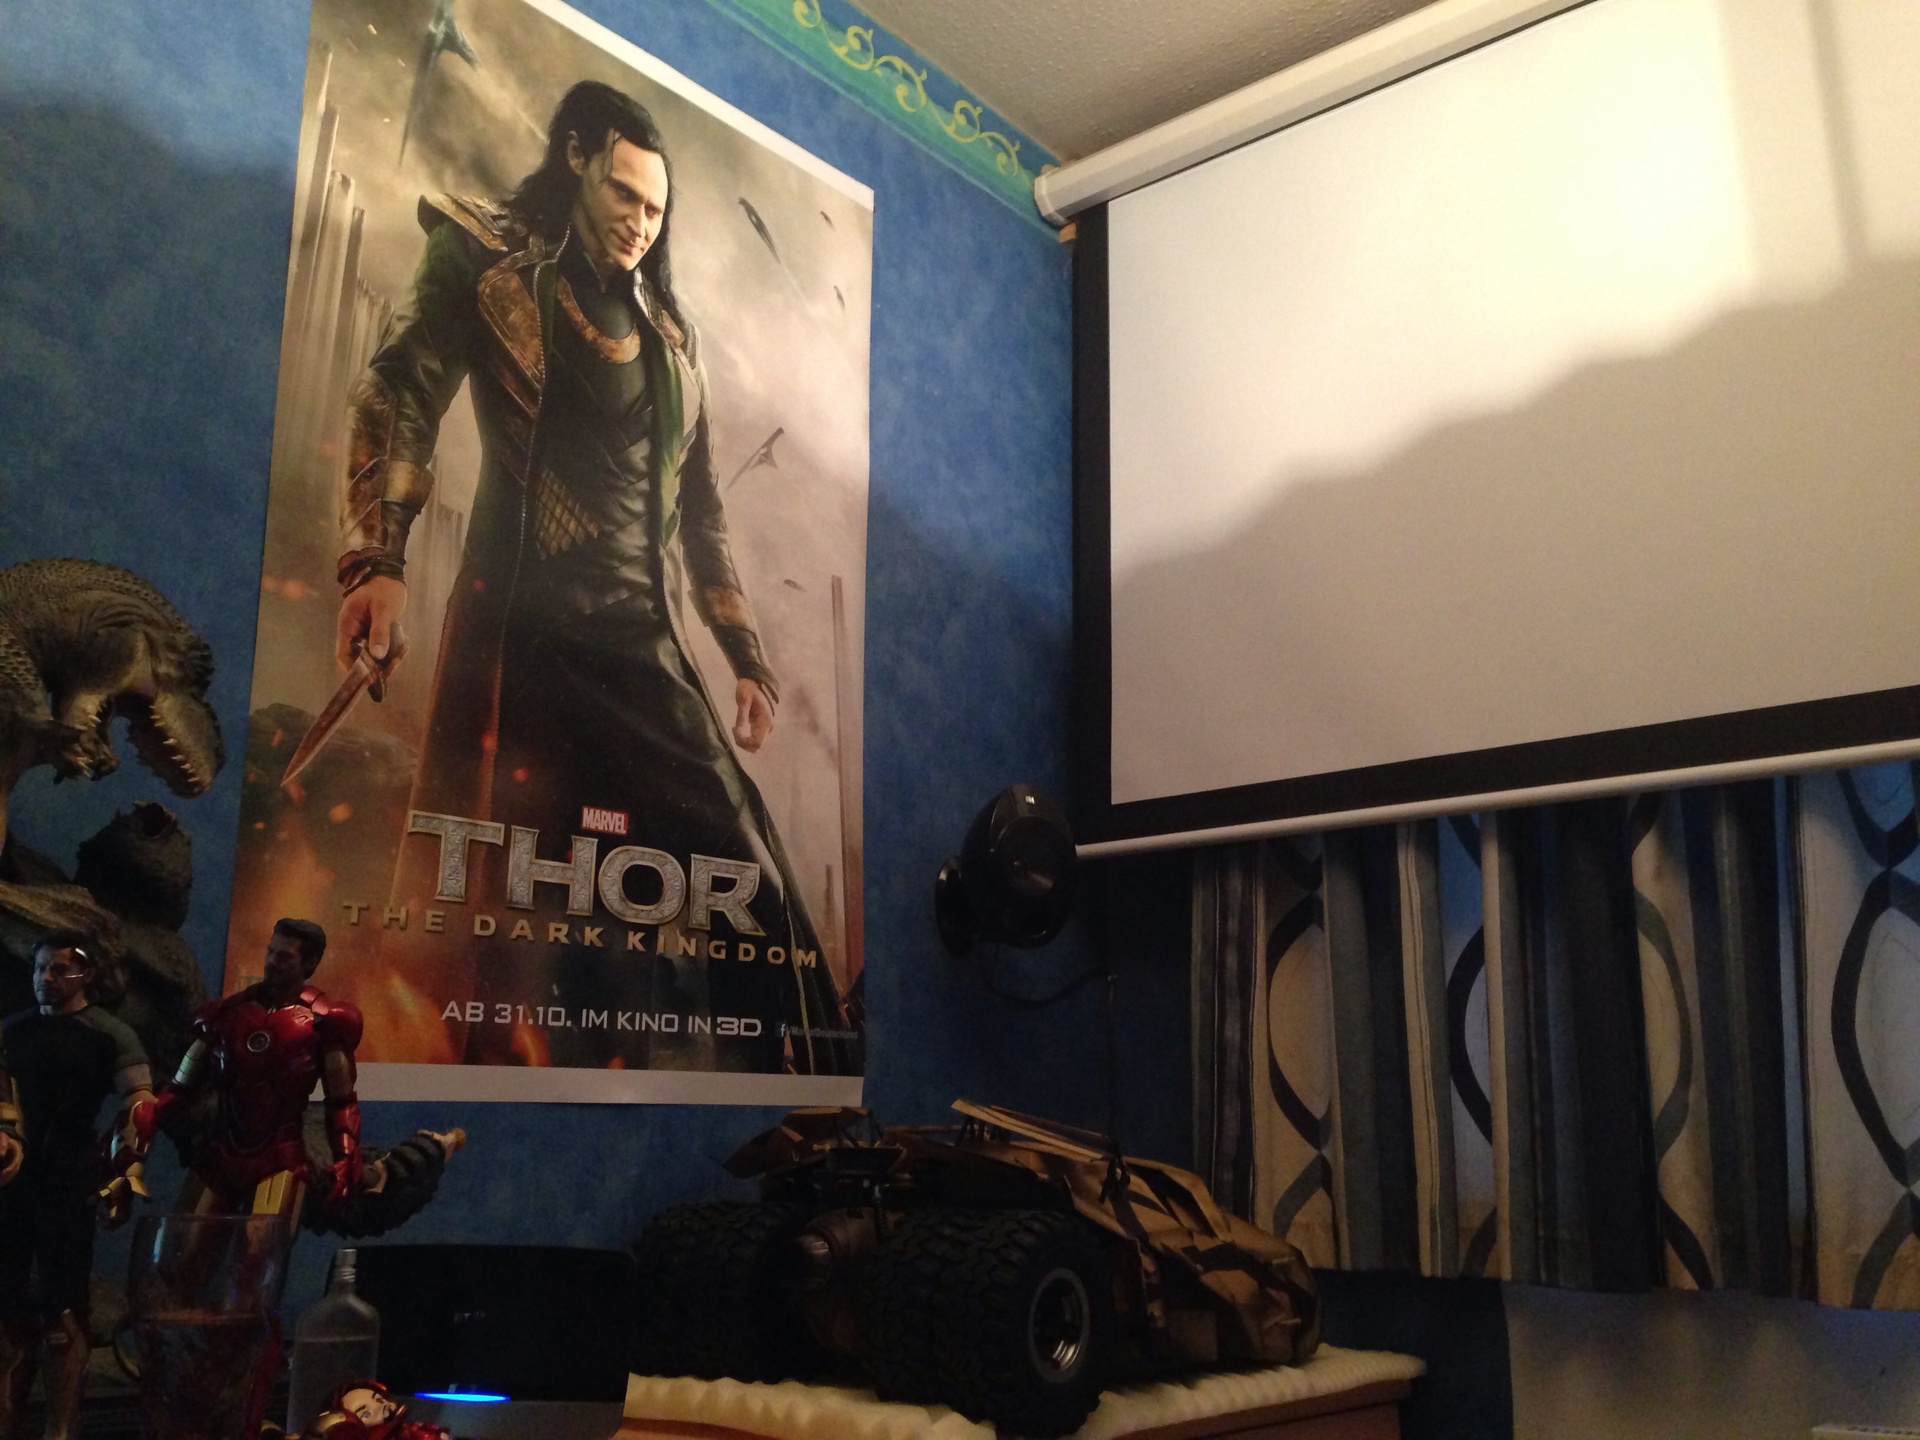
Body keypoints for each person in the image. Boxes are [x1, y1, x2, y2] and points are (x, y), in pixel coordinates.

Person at [332, 80, 854, 1074]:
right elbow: (401, 389)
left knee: (744, 878)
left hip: (637, 645)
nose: (639, 223)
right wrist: (378, 559)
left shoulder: (670, 341)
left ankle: (807, 1094)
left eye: (655, 208)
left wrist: (745, 658)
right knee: (521, 925)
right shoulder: (484, 258)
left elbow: (701, 513)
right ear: (575, 158)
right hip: (519, 635)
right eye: (624, 193)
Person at [0, 933, 154, 1440]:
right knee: (7, 1311)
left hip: (69, 1181)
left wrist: (127, 1171)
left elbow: (140, 1105)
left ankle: (61, 1431)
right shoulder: (12, 1031)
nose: (46, 978)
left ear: (85, 975)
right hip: (11, 1181)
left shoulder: (109, 1034)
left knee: (62, 1311)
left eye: (60, 969)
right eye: (41, 968)